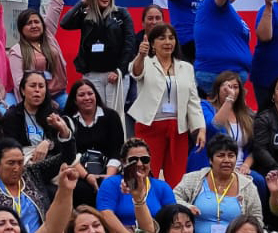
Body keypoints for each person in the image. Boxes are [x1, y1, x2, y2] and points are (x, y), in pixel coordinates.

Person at [129, 24, 205, 182]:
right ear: (152, 43)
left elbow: (193, 101)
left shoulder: (186, 68)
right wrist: (141, 56)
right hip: (149, 127)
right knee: (146, 173)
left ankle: (174, 206)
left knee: (176, 176)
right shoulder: (145, 62)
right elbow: (136, 72)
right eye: (162, 38)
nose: (167, 42)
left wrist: (200, 128)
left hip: (178, 129)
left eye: (171, 38)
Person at [0, 137, 74, 233]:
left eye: (20, 162)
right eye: (11, 163)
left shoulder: (33, 172)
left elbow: (67, 157)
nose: (16, 168)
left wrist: (65, 134)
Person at [60, 0, 135, 113]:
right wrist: (82, 3)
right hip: (92, 75)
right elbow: (64, 23)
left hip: (115, 75)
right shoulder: (85, 14)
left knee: (114, 116)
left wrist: (120, 70)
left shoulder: (121, 14)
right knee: (96, 116)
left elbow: (129, 45)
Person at [193, 0, 258, 99]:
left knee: (230, 120)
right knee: (219, 120)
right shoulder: (212, 1)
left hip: (234, 76)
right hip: (217, 74)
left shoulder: (230, 12)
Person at [95, 138, 176, 233]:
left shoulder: (162, 187)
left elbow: (172, 219)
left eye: (144, 159)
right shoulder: (111, 183)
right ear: (123, 162)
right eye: (133, 160)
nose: (139, 164)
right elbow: (105, 215)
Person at [7, 0, 68, 100]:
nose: (34, 25)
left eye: (37, 22)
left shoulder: (48, 36)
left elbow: (56, 6)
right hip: (32, 99)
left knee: (74, 110)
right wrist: (45, 102)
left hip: (58, 94)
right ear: (21, 29)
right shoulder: (16, 52)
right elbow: (19, 83)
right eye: (29, 23)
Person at [63, 77, 125, 207]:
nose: (87, 98)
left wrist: (108, 177)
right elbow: (69, 154)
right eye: (81, 95)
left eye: (90, 94)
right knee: (80, 189)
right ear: (74, 100)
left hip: (109, 169)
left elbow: (117, 150)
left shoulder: (111, 117)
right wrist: (87, 176)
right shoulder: (67, 121)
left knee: (114, 186)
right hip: (79, 171)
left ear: (96, 96)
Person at [189, 71, 256, 175]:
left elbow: (254, 148)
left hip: (240, 168)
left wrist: (246, 165)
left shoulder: (246, 114)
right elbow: (215, 126)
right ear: (218, 89)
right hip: (211, 167)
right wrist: (229, 99)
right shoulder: (205, 106)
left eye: (235, 87)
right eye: (227, 87)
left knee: (259, 181)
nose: (231, 90)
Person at [0, 71, 71, 158]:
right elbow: (9, 147)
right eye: (32, 86)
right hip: (24, 162)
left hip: (51, 162)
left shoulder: (53, 114)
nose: (37, 90)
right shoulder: (12, 115)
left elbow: (64, 146)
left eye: (41, 86)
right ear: (23, 91)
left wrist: (48, 143)